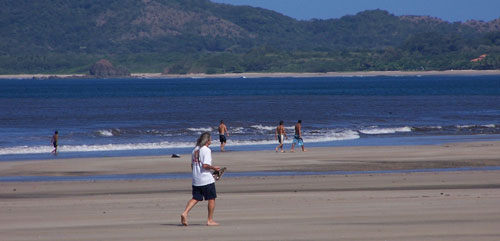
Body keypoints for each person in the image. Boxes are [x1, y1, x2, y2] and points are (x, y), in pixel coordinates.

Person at [181, 132, 220, 226]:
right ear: (207, 140)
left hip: (196, 179)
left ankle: (185, 212)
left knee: (195, 198)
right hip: (206, 179)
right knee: (211, 198)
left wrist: (196, 174)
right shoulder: (206, 150)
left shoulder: (195, 150)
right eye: (210, 139)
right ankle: (210, 220)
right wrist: (214, 168)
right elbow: (205, 165)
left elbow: (192, 165)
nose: (211, 141)